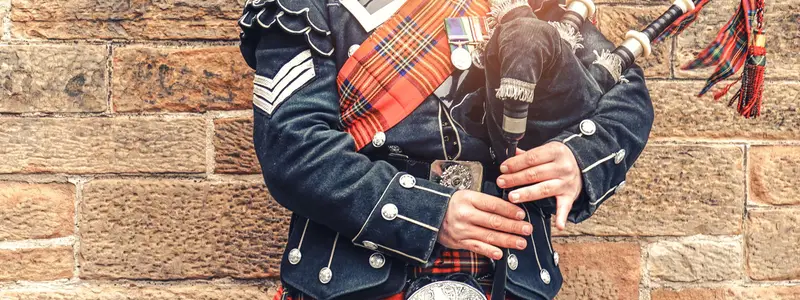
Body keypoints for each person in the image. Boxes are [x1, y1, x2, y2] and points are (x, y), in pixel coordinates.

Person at [237, 0, 653, 299]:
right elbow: (293, 147)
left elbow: (625, 95)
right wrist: (427, 215)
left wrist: (578, 158)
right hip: (353, 275)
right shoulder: (302, 6)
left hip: (507, 275)